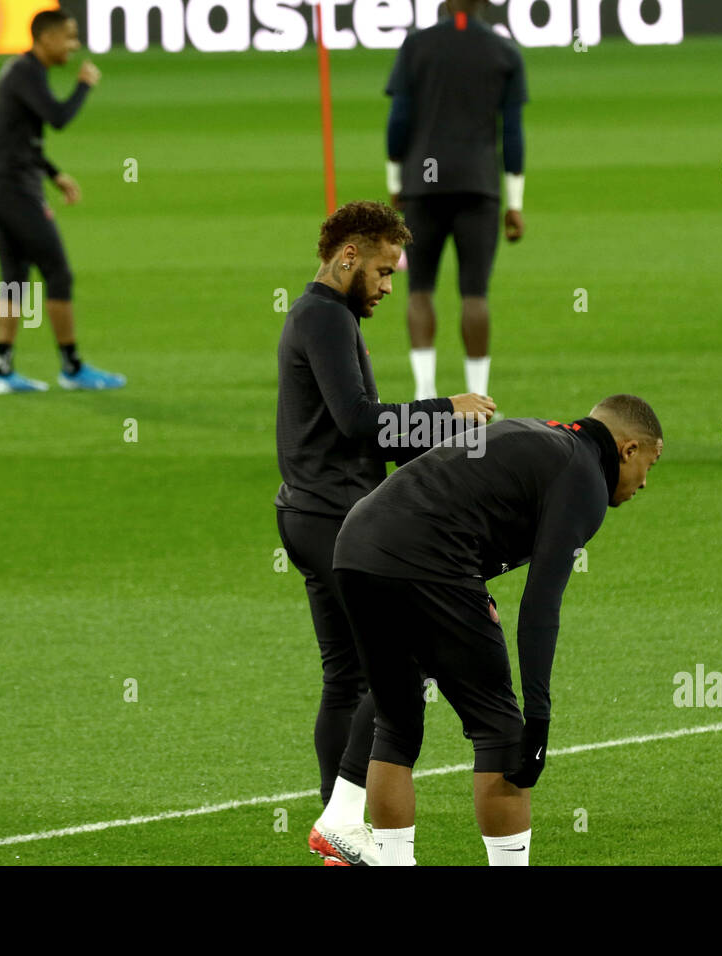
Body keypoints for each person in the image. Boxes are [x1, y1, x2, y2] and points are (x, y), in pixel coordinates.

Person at [333, 395, 663, 865]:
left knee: (397, 724)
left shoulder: (541, 438)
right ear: (628, 449)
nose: (644, 483)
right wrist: (539, 719)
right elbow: (540, 606)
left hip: (356, 547)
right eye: (649, 465)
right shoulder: (586, 477)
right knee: (501, 733)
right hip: (427, 557)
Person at [274, 200, 494, 865]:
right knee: (400, 666)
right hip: (338, 521)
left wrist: (441, 443)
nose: (389, 287)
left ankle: (336, 832)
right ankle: (342, 820)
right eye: (383, 271)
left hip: (308, 515)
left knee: (346, 678)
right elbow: (359, 423)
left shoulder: (321, 316)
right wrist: (446, 413)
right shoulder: (325, 318)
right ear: (348, 257)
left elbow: (367, 437)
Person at [384, 0, 528, 403]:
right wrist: (514, 203)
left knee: (419, 290)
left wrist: (396, 180)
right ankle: (478, 399)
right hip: (478, 184)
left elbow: (397, 122)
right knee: (475, 294)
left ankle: (424, 392)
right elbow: (512, 133)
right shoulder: (504, 51)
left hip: (423, 184)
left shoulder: (416, 46)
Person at [0, 8, 125, 394]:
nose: (74, 45)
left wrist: (53, 172)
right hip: (14, 191)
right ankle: (72, 368)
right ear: (45, 39)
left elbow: (16, 140)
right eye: (69, 37)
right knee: (58, 273)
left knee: (14, 280)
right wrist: (84, 85)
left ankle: (2, 370)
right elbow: (58, 117)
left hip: (0, 187)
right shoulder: (26, 73)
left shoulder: (22, 72)